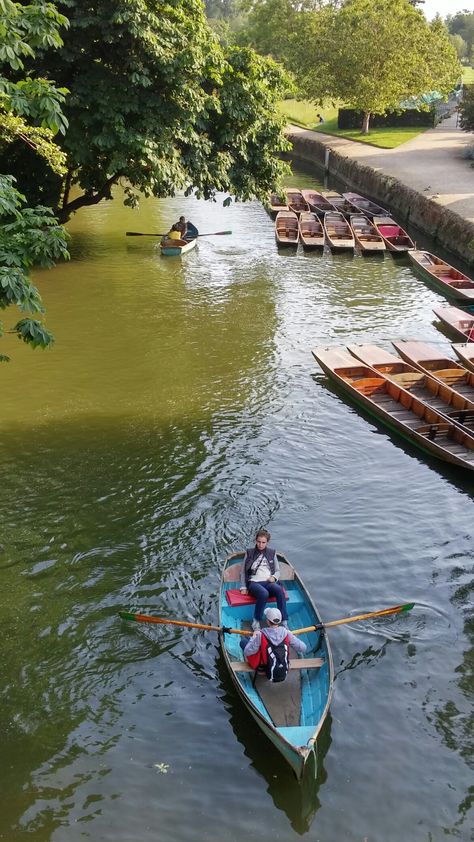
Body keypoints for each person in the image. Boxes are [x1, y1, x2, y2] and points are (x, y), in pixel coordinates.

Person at [240, 528, 288, 631]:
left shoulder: (272, 553)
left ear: (267, 542)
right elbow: (243, 572)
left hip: (268, 582)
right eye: (258, 542)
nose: (260, 545)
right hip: (254, 583)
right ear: (255, 541)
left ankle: (284, 621)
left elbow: (278, 571)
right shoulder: (249, 552)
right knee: (263, 593)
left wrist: (274, 577)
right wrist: (243, 586)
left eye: (263, 542)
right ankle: (256, 621)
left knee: (279, 590)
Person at [242, 607, 307, 678]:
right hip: (282, 666)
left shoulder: (261, 635)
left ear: (267, 621)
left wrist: (254, 637)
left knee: (243, 642)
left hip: (262, 668)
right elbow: (303, 648)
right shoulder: (287, 633)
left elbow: (247, 652)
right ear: (280, 621)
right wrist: (292, 636)